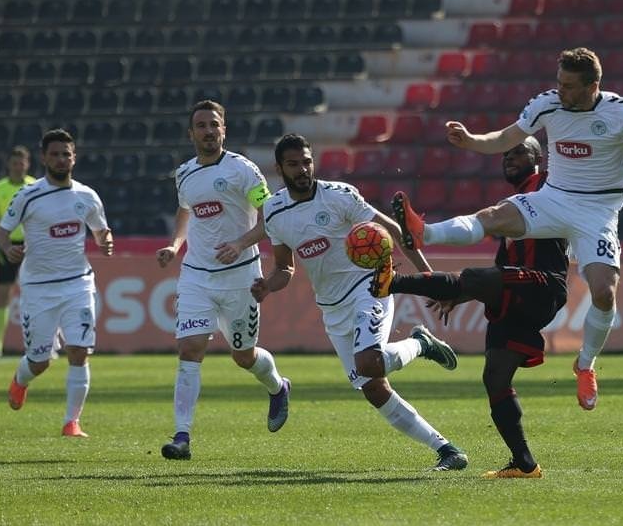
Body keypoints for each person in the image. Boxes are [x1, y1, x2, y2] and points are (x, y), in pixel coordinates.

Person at [392, 47, 623, 412]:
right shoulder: (548, 104)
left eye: (569, 86)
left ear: (592, 85)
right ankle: (424, 233)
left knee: (604, 293)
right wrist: (472, 140)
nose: (561, 91)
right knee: (493, 216)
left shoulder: (622, 112)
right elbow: (506, 138)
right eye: (559, 82)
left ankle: (585, 365)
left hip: (597, 213)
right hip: (553, 198)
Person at [372, 137, 623, 479]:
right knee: (495, 378)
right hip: (517, 290)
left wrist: (622, 163)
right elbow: (498, 270)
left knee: (474, 277)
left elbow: (588, 179)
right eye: (506, 154)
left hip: (543, 284)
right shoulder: (513, 206)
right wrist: (460, 294)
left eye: (519, 152)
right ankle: (524, 463)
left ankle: (391, 282)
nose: (510, 158)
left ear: (538, 158)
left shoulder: (550, 185)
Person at [252, 133, 468, 471]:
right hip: (332, 306)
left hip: (371, 285)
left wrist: (431, 281)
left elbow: (395, 231)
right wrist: (267, 285)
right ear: (279, 169)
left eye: (307, 162)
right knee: (373, 388)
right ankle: (447, 450)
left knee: (368, 363)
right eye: (293, 164)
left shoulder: (339, 195)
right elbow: (284, 268)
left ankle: (419, 345)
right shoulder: (274, 211)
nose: (302, 169)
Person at [156, 100, 289, 461]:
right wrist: (175, 245)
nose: (208, 131)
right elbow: (185, 211)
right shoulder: (184, 173)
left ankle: (278, 386)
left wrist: (240, 244)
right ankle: (182, 436)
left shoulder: (243, 171)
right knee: (190, 348)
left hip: (241, 276)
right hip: (196, 276)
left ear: (224, 130)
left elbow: (270, 216)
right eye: (201, 126)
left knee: (243, 357)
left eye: (214, 125)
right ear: (191, 134)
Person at [0, 129, 114, 437]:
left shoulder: (86, 196)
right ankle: (20, 380)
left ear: (74, 158)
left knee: (79, 350)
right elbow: (3, 231)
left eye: (66, 154)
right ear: (43, 158)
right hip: (38, 288)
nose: (61, 159)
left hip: (78, 283)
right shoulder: (28, 196)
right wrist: (8, 248)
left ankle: (71, 422)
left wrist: (105, 241)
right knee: (40, 361)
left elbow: (101, 230)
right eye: (55, 154)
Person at [0, 146, 36, 360]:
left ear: (27, 164)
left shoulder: (35, 186)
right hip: (6, 245)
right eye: (14, 163)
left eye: (21, 163)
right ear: (8, 165)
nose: (18, 167)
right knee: (3, 294)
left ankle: (42, 346)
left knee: (37, 295)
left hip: (31, 245)